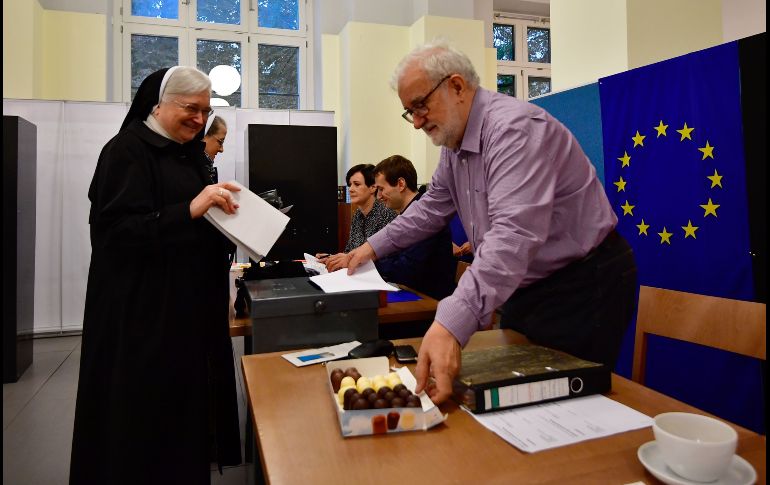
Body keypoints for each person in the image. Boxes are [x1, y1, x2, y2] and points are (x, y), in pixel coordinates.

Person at [342, 41, 637, 405]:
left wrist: (450, 323)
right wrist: (370, 248)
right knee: (521, 403)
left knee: (566, 406)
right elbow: (430, 208)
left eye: (420, 106)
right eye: (409, 112)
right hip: (526, 284)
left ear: (456, 86)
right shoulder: (454, 146)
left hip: (582, 283)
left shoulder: (513, 129)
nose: (416, 122)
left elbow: (512, 237)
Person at [70, 66, 242, 485]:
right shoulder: (126, 151)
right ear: (158, 105)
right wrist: (190, 209)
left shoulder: (188, 154)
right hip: (142, 323)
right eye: (191, 109)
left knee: (183, 428)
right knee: (142, 431)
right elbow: (115, 235)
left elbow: (194, 225)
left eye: (205, 111)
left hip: (186, 319)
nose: (199, 120)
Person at [330, 154, 456, 300]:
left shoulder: (424, 218)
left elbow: (405, 270)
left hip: (429, 300)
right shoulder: (406, 214)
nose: (379, 196)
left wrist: (366, 262)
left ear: (401, 184)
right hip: (412, 291)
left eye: (381, 189)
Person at [317, 163, 396, 269]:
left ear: (373, 187)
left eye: (357, 184)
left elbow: (384, 258)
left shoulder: (386, 213)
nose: (350, 189)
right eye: (350, 185)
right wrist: (332, 258)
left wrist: (347, 259)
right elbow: (349, 252)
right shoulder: (357, 215)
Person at [201, 115, 227, 183]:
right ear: (204, 136)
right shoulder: (189, 172)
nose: (221, 150)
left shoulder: (208, 171)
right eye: (220, 142)